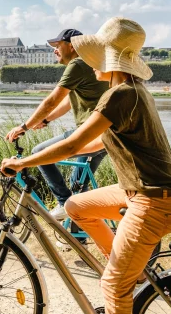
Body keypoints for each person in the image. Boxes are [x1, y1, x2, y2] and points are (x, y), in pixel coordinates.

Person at [1, 17, 171, 314]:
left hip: (153, 198)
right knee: (75, 206)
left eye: (95, 56)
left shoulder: (118, 95)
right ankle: (118, 265)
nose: (91, 63)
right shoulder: (130, 90)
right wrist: (44, 154)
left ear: (108, 59)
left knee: (115, 288)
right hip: (142, 190)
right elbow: (87, 143)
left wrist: (23, 164)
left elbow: (70, 147)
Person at [6, 28, 108, 219]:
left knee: (39, 152)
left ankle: (62, 203)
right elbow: (70, 101)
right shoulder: (90, 62)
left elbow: (51, 101)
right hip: (103, 133)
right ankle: (79, 236)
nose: (54, 50)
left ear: (71, 46)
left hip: (88, 132)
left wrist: (24, 127)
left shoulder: (78, 63)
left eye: (57, 45)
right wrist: (46, 120)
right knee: (78, 187)